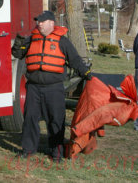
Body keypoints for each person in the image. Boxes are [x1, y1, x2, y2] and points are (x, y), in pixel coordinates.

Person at [12, 10, 91, 162]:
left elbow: (75, 60)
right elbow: (18, 54)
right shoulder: (31, 39)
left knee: (56, 120)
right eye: (38, 21)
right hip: (33, 87)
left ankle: (57, 153)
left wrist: (86, 73)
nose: (38, 23)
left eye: (42, 21)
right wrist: (18, 44)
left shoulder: (62, 41)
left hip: (54, 88)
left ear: (51, 23)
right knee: (30, 118)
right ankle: (28, 150)